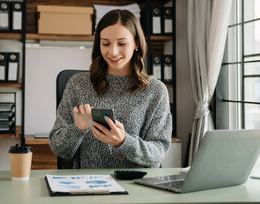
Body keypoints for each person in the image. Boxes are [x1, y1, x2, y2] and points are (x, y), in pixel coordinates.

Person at [49, 9, 172, 168]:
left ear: (136, 43)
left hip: (137, 185)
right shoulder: (77, 85)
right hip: (88, 185)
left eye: (122, 43)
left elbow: (159, 153)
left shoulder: (156, 91)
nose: (113, 52)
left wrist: (123, 141)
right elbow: (59, 149)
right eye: (106, 43)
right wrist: (77, 129)